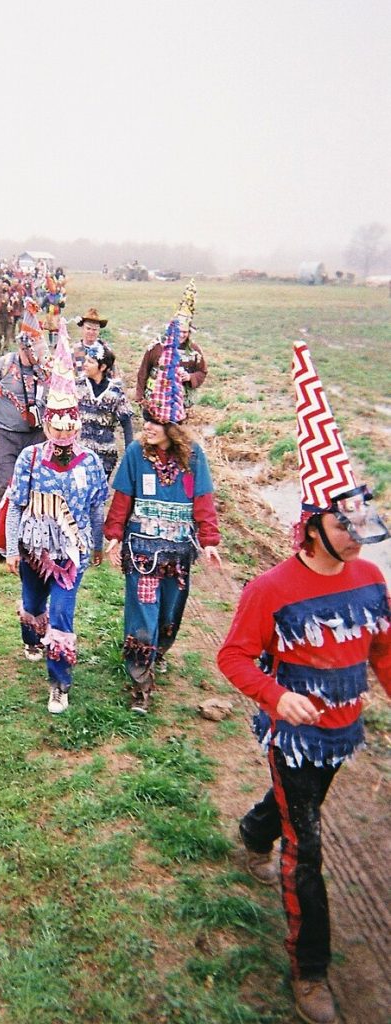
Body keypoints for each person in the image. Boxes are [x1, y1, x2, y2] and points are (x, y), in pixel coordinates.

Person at [217, 340, 390, 1024]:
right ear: (313, 524)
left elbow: (382, 652)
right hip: (292, 734)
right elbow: (231, 657)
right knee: (308, 843)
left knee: (301, 805)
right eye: (343, 522)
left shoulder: (372, 578)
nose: (357, 534)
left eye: (361, 520)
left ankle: (255, 831)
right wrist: (274, 695)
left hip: (342, 732)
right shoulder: (271, 589)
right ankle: (309, 969)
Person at [104, 320, 221, 713]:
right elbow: (122, 496)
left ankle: (159, 648)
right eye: (145, 421)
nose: (147, 429)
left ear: (173, 426)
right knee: (143, 609)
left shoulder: (195, 458)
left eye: (154, 423)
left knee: (171, 610)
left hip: (178, 553)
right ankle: (140, 678)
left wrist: (209, 542)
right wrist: (115, 535)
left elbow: (203, 500)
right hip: (143, 551)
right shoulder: (136, 455)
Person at [5, 319, 108, 713]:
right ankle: (31, 634)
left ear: (78, 422)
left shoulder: (92, 462)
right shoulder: (29, 458)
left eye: (71, 423)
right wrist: (14, 548)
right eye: (56, 423)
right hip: (33, 551)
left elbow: (97, 507)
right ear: (47, 422)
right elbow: (16, 505)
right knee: (33, 604)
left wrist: (97, 545)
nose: (64, 431)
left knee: (62, 616)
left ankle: (59, 683)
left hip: (72, 553)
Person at [0, 298, 49, 515]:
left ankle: (28, 537)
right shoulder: (3, 365)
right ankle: (0, 537)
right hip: (5, 437)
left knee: (34, 488)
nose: (40, 353)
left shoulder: (44, 370)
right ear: (25, 346)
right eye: (36, 348)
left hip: (36, 438)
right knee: (5, 485)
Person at [136, 279, 207, 410]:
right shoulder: (157, 347)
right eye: (179, 331)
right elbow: (143, 371)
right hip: (154, 401)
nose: (182, 335)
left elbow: (202, 371)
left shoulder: (194, 351)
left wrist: (190, 377)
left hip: (179, 405)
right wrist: (140, 397)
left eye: (185, 332)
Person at [76, 340, 134, 478]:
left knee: (98, 496)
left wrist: (129, 453)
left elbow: (126, 423)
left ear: (102, 367)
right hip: (78, 455)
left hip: (105, 455)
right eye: (86, 360)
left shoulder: (115, 392)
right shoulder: (77, 386)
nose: (85, 365)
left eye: (90, 362)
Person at [73, 307, 107, 373]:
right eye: (88, 328)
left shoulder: (105, 349)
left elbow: (114, 375)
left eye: (95, 329)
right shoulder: (73, 350)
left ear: (99, 331)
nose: (91, 332)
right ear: (82, 329)